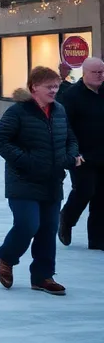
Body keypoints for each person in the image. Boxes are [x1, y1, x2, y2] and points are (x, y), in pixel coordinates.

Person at [0, 66, 80, 295]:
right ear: (34, 88)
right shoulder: (18, 111)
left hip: (52, 181)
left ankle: (43, 276)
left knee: (48, 229)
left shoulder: (59, 110)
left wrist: (69, 157)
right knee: (28, 224)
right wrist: (26, 160)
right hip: (23, 180)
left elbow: (70, 138)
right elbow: (1, 140)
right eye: (49, 87)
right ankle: (7, 255)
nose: (54, 90)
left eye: (56, 86)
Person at [57, 56, 104, 250]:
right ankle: (67, 219)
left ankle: (97, 239)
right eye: (96, 72)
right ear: (84, 73)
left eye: (102, 72)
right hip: (81, 154)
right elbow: (65, 126)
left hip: (102, 153)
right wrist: (73, 152)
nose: (100, 75)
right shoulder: (71, 95)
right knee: (85, 190)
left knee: (102, 197)